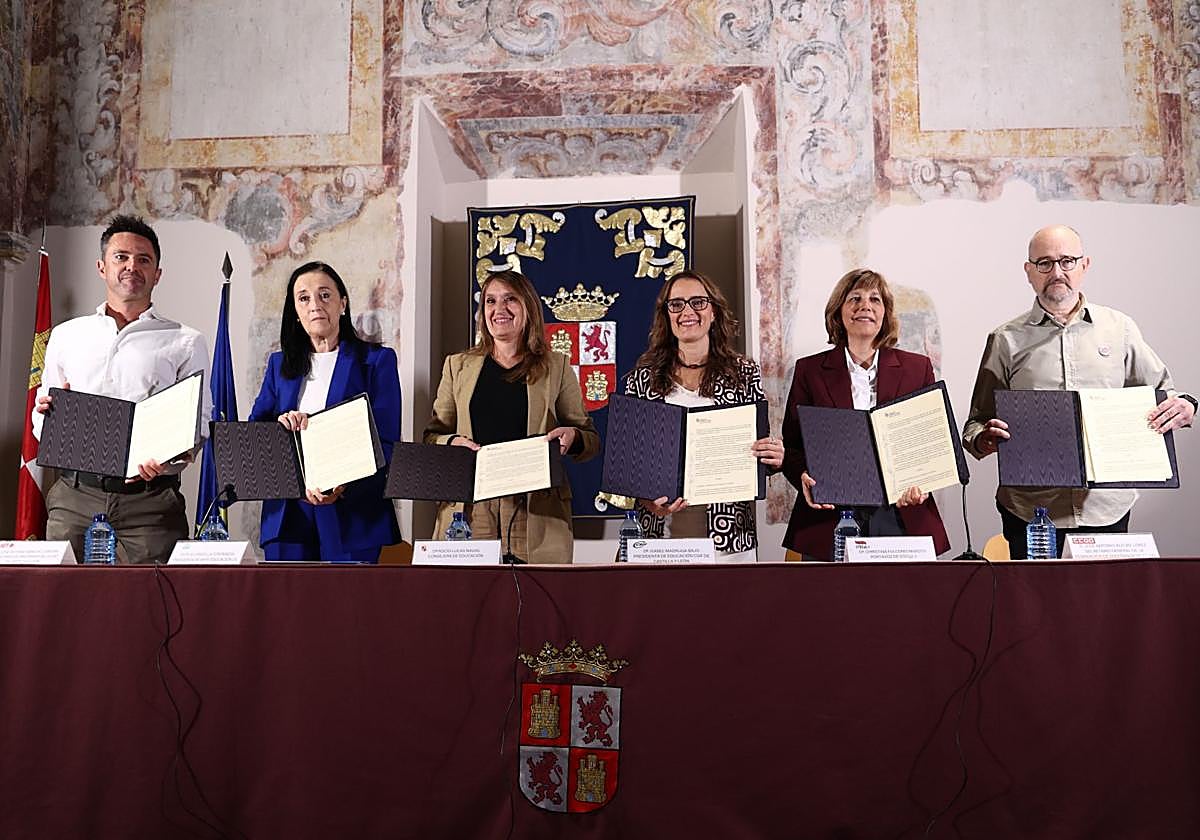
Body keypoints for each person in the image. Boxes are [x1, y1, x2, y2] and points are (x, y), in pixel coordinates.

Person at [963, 224, 1196, 558]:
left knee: (1103, 610)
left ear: (1085, 265)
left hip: (1107, 508)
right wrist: (983, 437)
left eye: (1067, 261)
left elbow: (1165, 393)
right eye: (1044, 263)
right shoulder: (1005, 339)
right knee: (1034, 610)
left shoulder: (1121, 329)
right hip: (1031, 512)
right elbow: (975, 424)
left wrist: (1186, 406)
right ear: (1029, 272)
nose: (1057, 271)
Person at [32, 215, 211, 564]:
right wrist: (47, 416)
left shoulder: (186, 341)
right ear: (102, 266)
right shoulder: (67, 335)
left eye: (144, 259)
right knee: (65, 604)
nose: (132, 266)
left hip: (150, 502)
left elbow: (199, 422)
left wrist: (168, 458)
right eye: (121, 257)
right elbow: (43, 417)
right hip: (74, 496)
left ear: (158, 273)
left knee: (153, 608)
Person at [423, 270, 599, 563]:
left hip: (535, 510)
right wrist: (451, 442)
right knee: (470, 603)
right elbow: (432, 436)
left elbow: (589, 439)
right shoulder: (457, 366)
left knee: (538, 603)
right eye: (490, 301)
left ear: (527, 306)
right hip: (471, 510)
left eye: (510, 299)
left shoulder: (557, 366)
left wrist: (573, 437)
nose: (498, 309)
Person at [781, 268, 950, 560]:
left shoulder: (916, 368)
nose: (865, 306)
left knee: (901, 605)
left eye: (875, 299)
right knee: (830, 605)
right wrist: (803, 477)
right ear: (839, 311)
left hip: (901, 514)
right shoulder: (810, 371)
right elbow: (793, 446)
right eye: (854, 298)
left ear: (886, 313)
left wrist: (923, 482)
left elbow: (932, 443)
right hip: (830, 515)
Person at [623, 270, 783, 560]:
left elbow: (759, 455)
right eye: (676, 304)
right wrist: (647, 499)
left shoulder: (744, 374)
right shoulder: (641, 380)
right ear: (666, 316)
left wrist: (772, 457)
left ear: (713, 312)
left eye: (698, 302)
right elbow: (629, 463)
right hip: (660, 536)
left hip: (730, 538)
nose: (687, 311)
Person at [248, 261, 402, 562]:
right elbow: (256, 433)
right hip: (289, 512)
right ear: (295, 311)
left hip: (354, 511)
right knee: (288, 607)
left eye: (325, 295)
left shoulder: (377, 361)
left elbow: (385, 440)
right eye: (303, 298)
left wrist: (341, 482)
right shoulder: (279, 365)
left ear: (342, 303)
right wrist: (281, 425)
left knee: (348, 607)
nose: (315, 304)